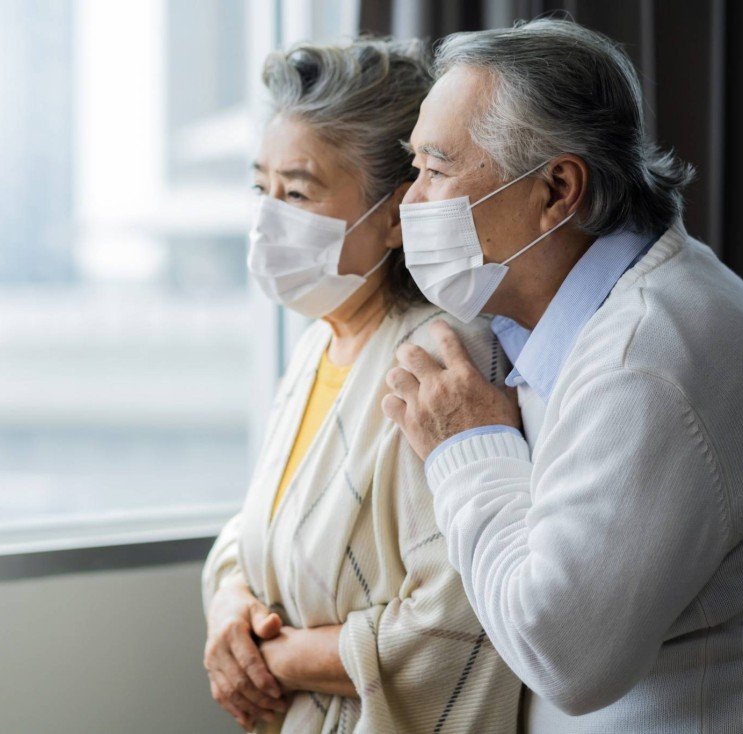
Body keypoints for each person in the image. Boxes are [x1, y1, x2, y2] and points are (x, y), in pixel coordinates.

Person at [382, 18, 743, 733]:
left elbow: (563, 654)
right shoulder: (541, 315)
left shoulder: (650, 361)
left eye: (437, 169)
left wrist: (466, 448)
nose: (408, 205)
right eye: (414, 168)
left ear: (559, 189)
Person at [201, 38, 521, 733]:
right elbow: (271, 522)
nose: (267, 218)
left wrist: (274, 661)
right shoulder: (320, 341)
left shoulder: (437, 363)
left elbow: (454, 622)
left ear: (392, 214)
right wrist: (230, 602)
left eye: (297, 191)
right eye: (261, 189)